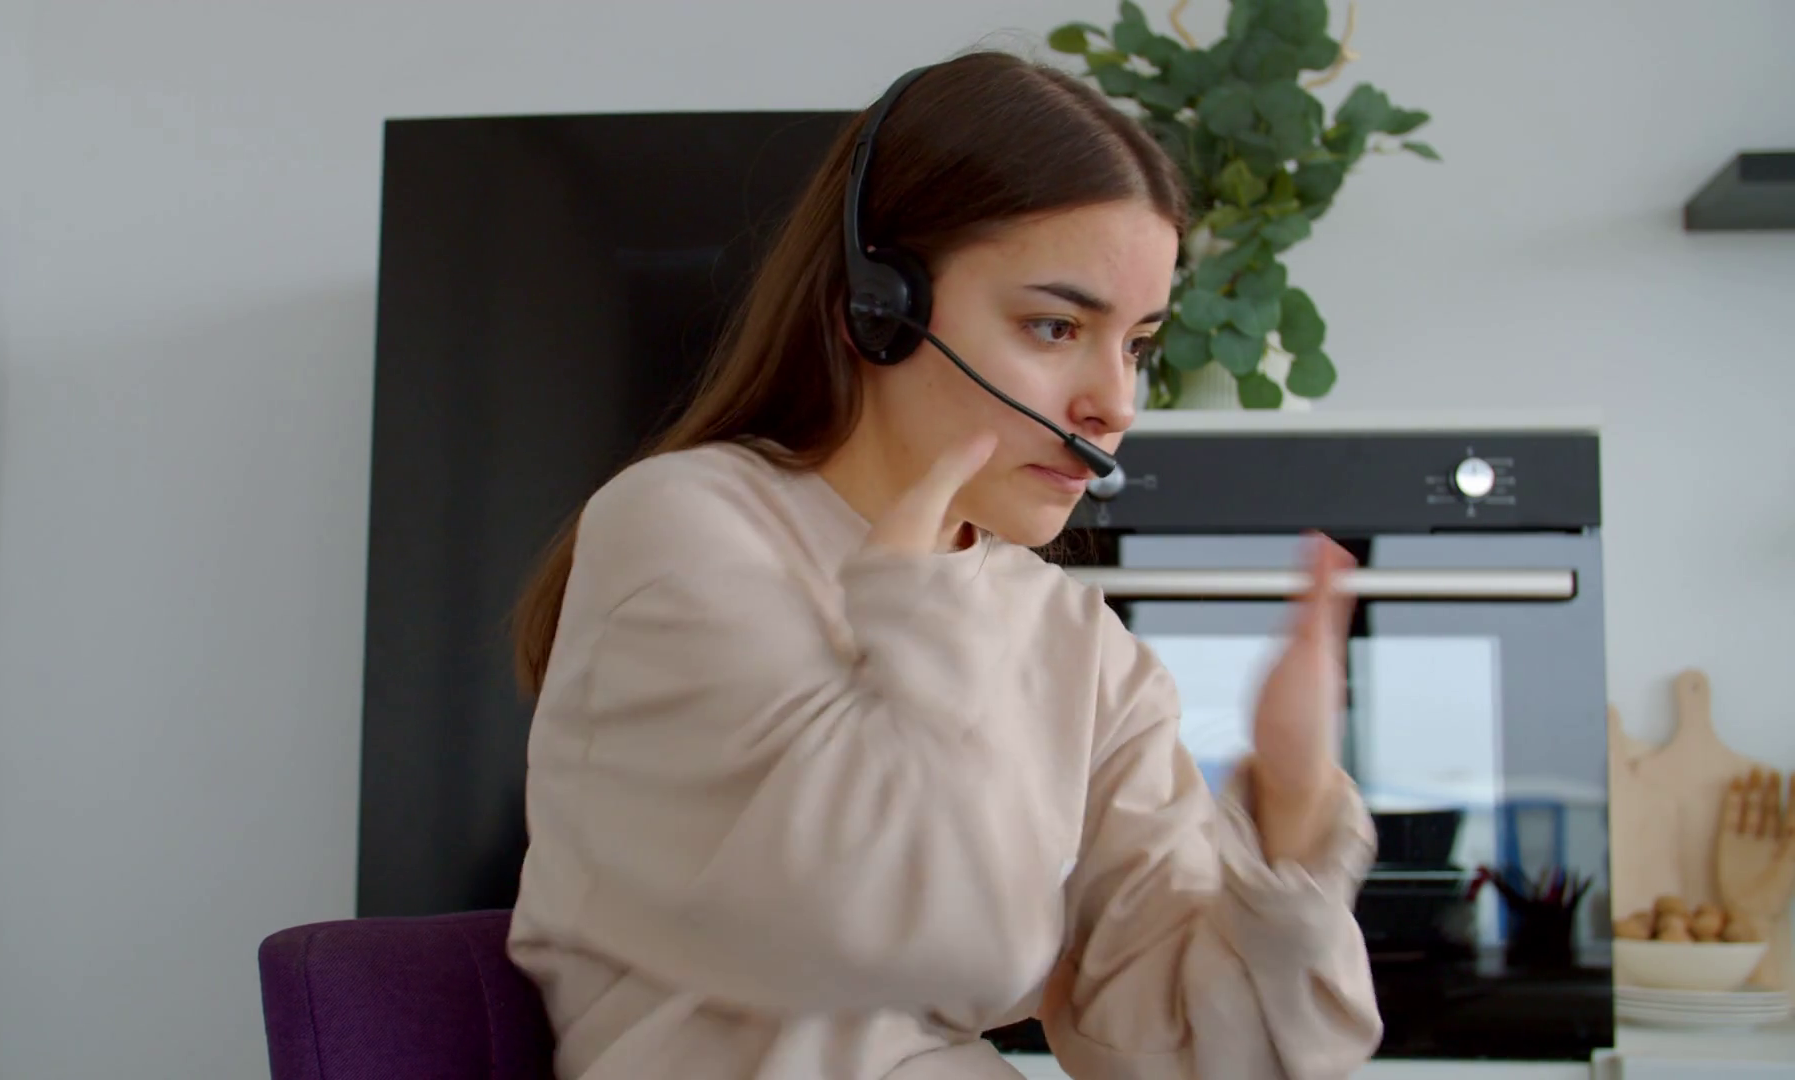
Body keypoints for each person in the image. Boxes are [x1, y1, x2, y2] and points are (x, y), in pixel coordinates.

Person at [504, 49, 1382, 1080]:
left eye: (1137, 345)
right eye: (1054, 326)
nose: (1116, 403)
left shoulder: (1076, 643)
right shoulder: (686, 526)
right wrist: (918, 623)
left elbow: (1190, 1056)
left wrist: (1290, 815)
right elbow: (892, 931)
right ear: (878, 308)